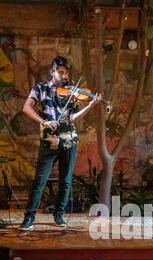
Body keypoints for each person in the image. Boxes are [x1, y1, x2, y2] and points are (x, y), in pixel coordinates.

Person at [19, 55, 102, 231]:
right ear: (52, 72)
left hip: (69, 140)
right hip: (49, 141)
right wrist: (43, 121)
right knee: (39, 181)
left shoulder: (71, 92)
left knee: (65, 181)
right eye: (61, 72)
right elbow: (26, 107)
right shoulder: (40, 89)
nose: (65, 76)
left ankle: (59, 215)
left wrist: (89, 106)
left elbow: (72, 118)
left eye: (67, 73)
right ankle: (29, 217)